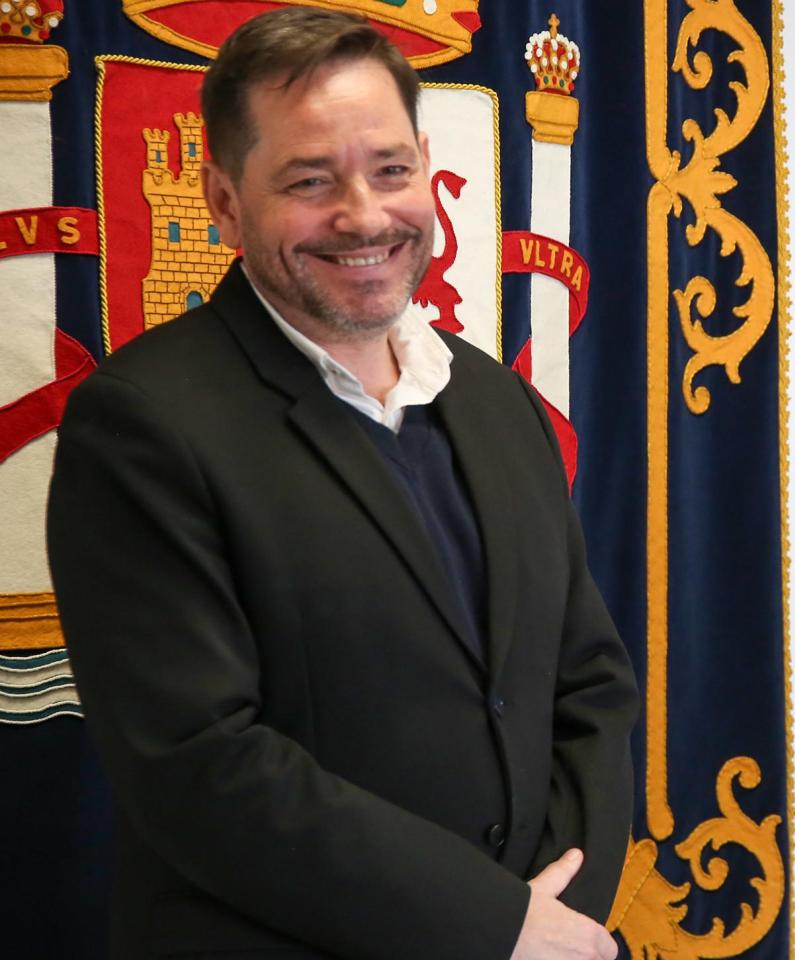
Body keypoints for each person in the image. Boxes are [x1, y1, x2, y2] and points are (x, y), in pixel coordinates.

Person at [46, 9, 636, 959]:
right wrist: (493, 923)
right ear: (226, 203)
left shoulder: (498, 402)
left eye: (391, 170)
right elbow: (198, 763)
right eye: (310, 181)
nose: (365, 214)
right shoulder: (142, 423)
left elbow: (590, 687)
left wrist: (558, 910)